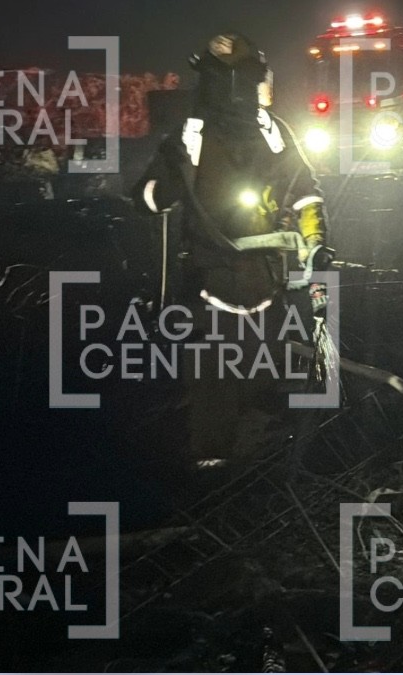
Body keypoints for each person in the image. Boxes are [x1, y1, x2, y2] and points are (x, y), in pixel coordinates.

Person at [132, 32, 332, 466]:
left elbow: (305, 194)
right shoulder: (220, 134)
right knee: (232, 377)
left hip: (243, 285)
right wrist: (174, 161)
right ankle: (231, 474)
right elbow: (151, 199)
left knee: (244, 377)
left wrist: (315, 242)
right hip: (232, 282)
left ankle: (246, 470)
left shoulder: (257, 133)